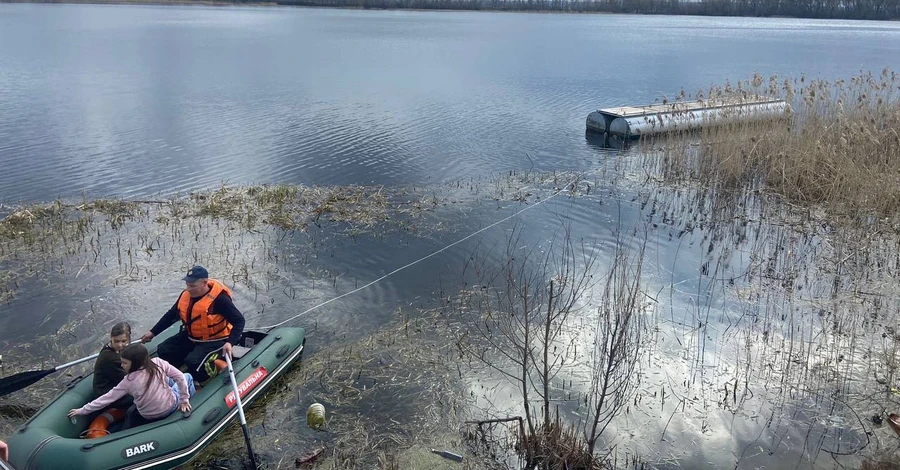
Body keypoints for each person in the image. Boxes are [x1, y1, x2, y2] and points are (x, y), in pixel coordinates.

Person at [140, 266, 245, 383]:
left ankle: (212, 371)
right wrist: (153, 332)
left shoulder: (220, 300)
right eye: (187, 284)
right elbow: (171, 314)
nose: (188, 289)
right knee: (164, 350)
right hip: (193, 337)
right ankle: (178, 373)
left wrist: (230, 343)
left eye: (192, 286)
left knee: (194, 362)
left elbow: (239, 321)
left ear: (204, 283)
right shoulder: (186, 295)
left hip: (216, 340)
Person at [68, 344, 194, 429]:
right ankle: (192, 398)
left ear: (135, 363)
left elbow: (106, 399)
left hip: (147, 415)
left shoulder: (128, 381)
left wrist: (82, 410)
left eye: (124, 363)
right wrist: (183, 399)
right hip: (168, 407)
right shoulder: (158, 363)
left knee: (166, 380)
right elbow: (180, 377)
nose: (121, 365)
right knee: (187, 376)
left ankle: (178, 397)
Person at [85, 322, 134, 438]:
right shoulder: (110, 358)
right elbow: (130, 380)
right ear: (111, 339)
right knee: (138, 399)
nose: (120, 345)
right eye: (116, 341)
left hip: (113, 388)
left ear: (129, 338)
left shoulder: (116, 351)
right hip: (107, 394)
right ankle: (128, 429)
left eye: (123, 341)